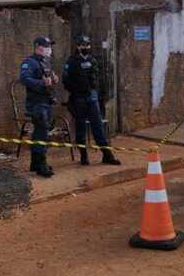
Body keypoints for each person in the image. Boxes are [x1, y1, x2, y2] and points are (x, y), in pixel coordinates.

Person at [62, 35, 121, 166]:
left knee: (98, 127)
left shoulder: (93, 60)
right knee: (81, 128)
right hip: (78, 99)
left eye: (87, 45)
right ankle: (83, 157)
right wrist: (77, 89)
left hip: (92, 98)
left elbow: (98, 79)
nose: (86, 47)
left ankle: (107, 155)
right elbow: (65, 81)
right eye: (83, 45)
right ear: (78, 46)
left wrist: (100, 94)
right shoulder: (71, 62)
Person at [19, 37, 59, 177]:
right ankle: (41, 165)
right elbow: (24, 79)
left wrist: (53, 79)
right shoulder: (29, 62)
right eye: (47, 46)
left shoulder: (45, 63)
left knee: (40, 133)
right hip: (37, 104)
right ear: (38, 47)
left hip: (46, 102)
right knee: (42, 133)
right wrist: (42, 83)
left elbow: (47, 79)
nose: (49, 49)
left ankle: (35, 163)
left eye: (49, 46)